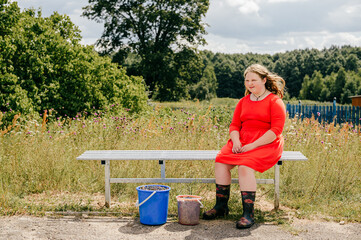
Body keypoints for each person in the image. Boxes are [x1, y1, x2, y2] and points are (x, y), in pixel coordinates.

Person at [203, 64, 286, 229]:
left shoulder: (275, 101)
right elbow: (234, 125)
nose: (250, 83)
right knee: (220, 161)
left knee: (244, 166)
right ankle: (221, 207)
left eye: (254, 80)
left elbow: (275, 131)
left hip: (266, 142)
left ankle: (248, 214)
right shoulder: (243, 102)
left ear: (264, 80)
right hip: (242, 140)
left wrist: (252, 146)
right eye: (247, 80)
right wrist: (236, 142)